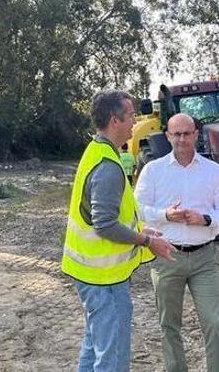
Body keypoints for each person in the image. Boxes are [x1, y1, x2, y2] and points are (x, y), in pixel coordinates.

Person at [61, 89, 176, 372]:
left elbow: (108, 215)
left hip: (93, 275)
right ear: (115, 121)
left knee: (95, 345)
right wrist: (146, 240)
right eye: (131, 116)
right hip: (103, 279)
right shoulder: (108, 166)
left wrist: (141, 227)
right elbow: (104, 224)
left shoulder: (97, 151)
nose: (134, 123)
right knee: (111, 357)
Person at [135, 113, 219, 372]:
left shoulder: (213, 171)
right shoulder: (153, 170)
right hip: (167, 255)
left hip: (204, 258)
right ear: (167, 136)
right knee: (169, 324)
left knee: (214, 322)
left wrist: (205, 219)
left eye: (186, 133)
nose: (181, 139)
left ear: (195, 135)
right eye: (176, 134)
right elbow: (137, 209)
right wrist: (165, 215)